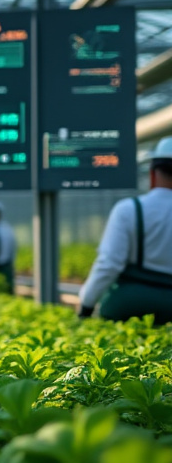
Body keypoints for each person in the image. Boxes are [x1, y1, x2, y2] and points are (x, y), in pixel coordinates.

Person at [76, 137, 172, 324]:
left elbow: (109, 264)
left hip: (129, 305)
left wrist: (86, 305)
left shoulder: (129, 209)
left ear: (152, 174)